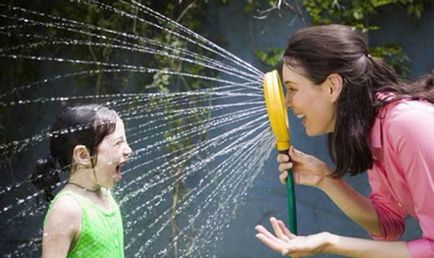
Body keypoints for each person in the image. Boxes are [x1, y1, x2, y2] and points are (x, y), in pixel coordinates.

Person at [255, 24, 434, 257]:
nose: (288, 102)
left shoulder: (407, 125)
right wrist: (325, 179)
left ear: (332, 86)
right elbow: (388, 223)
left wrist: (331, 243)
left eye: (293, 89)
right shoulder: (377, 130)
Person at [32, 104, 132, 258]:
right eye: (118, 143)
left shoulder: (105, 193)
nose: (128, 150)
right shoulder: (67, 209)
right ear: (83, 155)